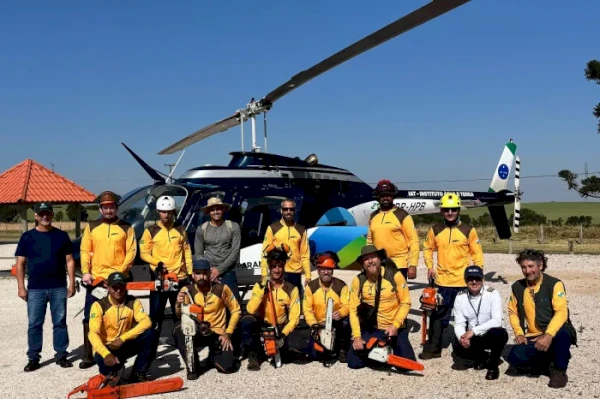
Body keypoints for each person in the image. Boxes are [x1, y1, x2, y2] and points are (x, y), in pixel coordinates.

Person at [420, 192, 484, 360]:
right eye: (446, 209)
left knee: (468, 316)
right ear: (441, 211)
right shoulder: (435, 229)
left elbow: (477, 253)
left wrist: (477, 273)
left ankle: (465, 348)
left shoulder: (468, 230)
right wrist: (429, 266)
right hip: (442, 281)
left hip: (463, 282)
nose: (450, 213)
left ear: (458, 210)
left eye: (453, 210)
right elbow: (427, 248)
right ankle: (434, 347)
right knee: (438, 315)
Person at [15, 202, 77, 372]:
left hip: (58, 287)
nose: (45, 216)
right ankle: (33, 357)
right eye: (41, 213)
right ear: (35, 216)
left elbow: (70, 261)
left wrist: (72, 283)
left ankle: (61, 355)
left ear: (52, 215)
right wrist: (21, 287)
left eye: (47, 213)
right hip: (36, 288)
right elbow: (20, 264)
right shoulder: (27, 237)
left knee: (60, 323)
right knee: (34, 324)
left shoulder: (62, 236)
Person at [79, 191, 137, 369]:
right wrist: (85, 272)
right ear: (100, 209)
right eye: (105, 207)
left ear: (116, 208)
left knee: (123, 315)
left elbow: (131, 252)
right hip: (96, 280)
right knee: (90, 317)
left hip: (119, 278)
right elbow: (84, 250)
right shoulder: (92, 226)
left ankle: (122, 350)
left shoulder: (127, 227)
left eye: (111, 207)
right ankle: (89, 354)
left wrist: (117, 274)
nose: (109, 210)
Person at [506, 249, 577, 389]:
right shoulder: (517, 287)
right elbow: (512, 312)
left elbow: (561, 312)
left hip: (555, 332)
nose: (528, 271)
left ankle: (559, 370)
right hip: (533, 335)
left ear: (541, 266)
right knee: (515, 357)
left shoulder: (555, 284)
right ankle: (551, 358)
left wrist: (549, 335)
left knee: (563, 334)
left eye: (531, 266)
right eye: (524, 267)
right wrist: (519, 332)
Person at [347, 245, 416, 369]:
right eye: (366, 259)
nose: (370, 261)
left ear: (380, 259)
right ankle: (377, 351)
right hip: (372, 327)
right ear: (362, 263)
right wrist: (357, 336)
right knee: (354, 363)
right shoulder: (359, 280)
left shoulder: (395, 276)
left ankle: (385, 349)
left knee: (405, 366)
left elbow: (406, 302)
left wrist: (395, 325)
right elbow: (352, 309)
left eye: (373, 257)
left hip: (394, 327)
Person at [172, 259, 241, 380]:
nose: (201, 276)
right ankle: (193, 364)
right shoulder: (187, 291)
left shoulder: (221, 289)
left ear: (210, 274)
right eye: (198, 273)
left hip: (217, 333)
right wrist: (178, 303)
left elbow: (236, 311)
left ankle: (213, 357)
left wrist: (228, 333)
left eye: (204, 273)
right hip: (197, 332)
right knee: (179, 329)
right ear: (193, 275)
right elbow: (179, 316)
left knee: (228, 367)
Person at [139, 195, 193, 343]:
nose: (166, 214)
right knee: (156, 314)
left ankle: (181, 341)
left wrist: (190, 271)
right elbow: (143, 253)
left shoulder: (181, 229)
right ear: (158, 211)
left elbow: (186, 251)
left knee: (180, 312)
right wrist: (157, 263)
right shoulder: (150, 230)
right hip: (160, 278)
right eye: (163, 211)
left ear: (173, 211)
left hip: (179, 277)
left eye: (169, 211)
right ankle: (152, 344)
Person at [88, 272, 156, 383]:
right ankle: (113, 372)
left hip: (125, 343)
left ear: (126, 286)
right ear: (108, 287)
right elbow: (92, 333)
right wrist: (106, 354)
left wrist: (122, 339)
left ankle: (138, 373)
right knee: (111, 380)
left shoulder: (133, 302)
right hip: (107, 348)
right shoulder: (99, 305)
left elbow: (146, 322)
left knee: (151, 334)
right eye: (115, 287)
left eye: (121, 286)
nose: (118, 290)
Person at [242, 245, 301, 371]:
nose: (277, 270)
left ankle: (279, 348)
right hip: (263, 324)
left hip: (280, 328)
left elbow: (295, 318)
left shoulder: (292, 289)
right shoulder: (259, 286)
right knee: (246, 321)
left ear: (284, 267)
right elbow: (251, 309)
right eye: (274, 266)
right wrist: (262, 291)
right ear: (269, 267)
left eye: (280, 266)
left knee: (288, 357)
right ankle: (254, 355)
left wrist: (283, 335)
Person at [451, 265, 508, 380]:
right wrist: (463, 339)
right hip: (475, 336)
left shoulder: (492, 293)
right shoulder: (460, 297)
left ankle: (493, 365)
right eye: (470, 278)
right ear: (465, 280)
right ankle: (482, 357)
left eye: (477, 278)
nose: (474, 281)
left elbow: (497, 321)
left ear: (482, 280)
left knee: (498, 333)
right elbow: (459, 323)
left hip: (492, 333)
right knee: (458, 346)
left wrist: (473, 331)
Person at [366, 179, 420, 280]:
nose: (385, 198)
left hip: (398, 265)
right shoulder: (373, 216)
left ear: (393, 196)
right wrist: (367, 262)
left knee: (399, 295)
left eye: (388, 195)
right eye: (382, 195)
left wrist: (413, 265)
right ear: (378, 197)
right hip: (378, 265)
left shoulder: (402, 215)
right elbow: (369, 242)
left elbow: (413, 241)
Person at [303, 251, 350, 365]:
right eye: (323, 269)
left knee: (346, 323)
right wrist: (314, 325)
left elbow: (347, 305)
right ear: (318, 270)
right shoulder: (311, 287)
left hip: (335, 324)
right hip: (318, 325)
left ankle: (342, 349)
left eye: (329, 269)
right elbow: (307, 310)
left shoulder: (341, 286)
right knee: (315, 356)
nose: (326, 272)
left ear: (332, 270)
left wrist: (341, 312)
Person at [260, 198, 311, 300]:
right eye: (285, 209)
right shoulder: (272, 228)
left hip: (295, 273)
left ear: (294, 211)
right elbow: (265, 253)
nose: (288, 212)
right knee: (279, 307)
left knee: (295, 307)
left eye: (291, 209)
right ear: (281, 210)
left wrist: (308, 275)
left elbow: (305, 254)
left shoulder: (301, 230)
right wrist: (264, 274)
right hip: (278, 272)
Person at [194, 197, 241, 302]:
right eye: (212, 209)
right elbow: (198, 253)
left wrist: (219, 270)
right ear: (208, 212)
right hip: (208, 273)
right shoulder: (202, 229)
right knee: (209, 304)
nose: (215, 212)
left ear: (223, 209)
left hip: (228, 271)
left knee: (234, 304)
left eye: (218, 209)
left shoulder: (233, 227)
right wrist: (209, 271)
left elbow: (235, 252)